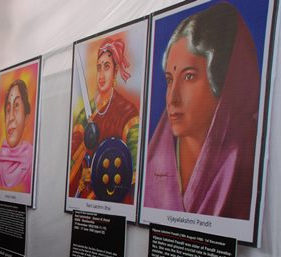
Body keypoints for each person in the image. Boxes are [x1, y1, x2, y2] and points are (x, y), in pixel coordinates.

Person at [144, 2, 259, 220]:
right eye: (169, 80)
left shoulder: (247, 156)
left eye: (188, 76)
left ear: (221, 81)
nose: (172, 98)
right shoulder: (155, 161)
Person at [68, 37, 139, 201]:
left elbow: (132, 169)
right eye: (99, 67)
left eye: (106, 67)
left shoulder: (127, 112)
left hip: (110, 198)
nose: (101, 74)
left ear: (115, 70)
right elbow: (73, 155)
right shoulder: (86, 112)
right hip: (83, 197)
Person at [0, 79, 34, 192]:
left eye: (16, 106)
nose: (10, 117)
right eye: (7, 109)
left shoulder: (32, 160)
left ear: (26, 116)